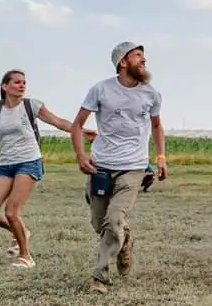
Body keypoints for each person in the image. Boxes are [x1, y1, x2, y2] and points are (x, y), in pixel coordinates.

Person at [0, 70, 93, 268]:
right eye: (16, 82)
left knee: (12, 211)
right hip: (5, 164)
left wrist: (81, 131)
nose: (22, 85)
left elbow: (58, 122)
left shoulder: (31, 105)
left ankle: (26, 257)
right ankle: (20, 231)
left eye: (24, 82)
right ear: (5, 87)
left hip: (29, 161)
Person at [71, 42, 167, 294]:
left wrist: (161, 157)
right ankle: (125, 241)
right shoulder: (101, 89)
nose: (143, 60)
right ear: (122, 62)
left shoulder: (151, 93)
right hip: (100, 166)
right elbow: (77, 124)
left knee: (114, 219)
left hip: (133, 167)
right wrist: (81, 156)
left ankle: (99, 277)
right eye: (137, 56)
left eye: (143, 56)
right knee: (99, 223)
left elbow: (157, 126)